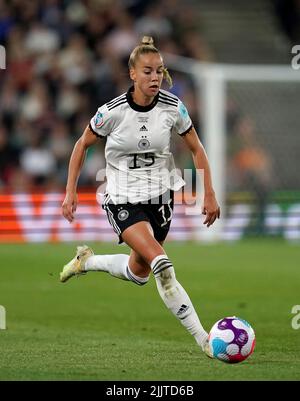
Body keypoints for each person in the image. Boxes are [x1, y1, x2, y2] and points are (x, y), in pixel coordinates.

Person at [60, 36, 220, 358]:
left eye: (159, 71)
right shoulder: (112, 113)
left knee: (139, 273)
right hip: (121, 199)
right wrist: (70, 192)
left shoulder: (173, 108)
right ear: (132, 74)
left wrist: (210, 192)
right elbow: (81, 145)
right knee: (162, 263)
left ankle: (86, 261)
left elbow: (196, 149)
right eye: (147, 72)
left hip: (160, 199)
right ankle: (205, 339)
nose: (155, 78)